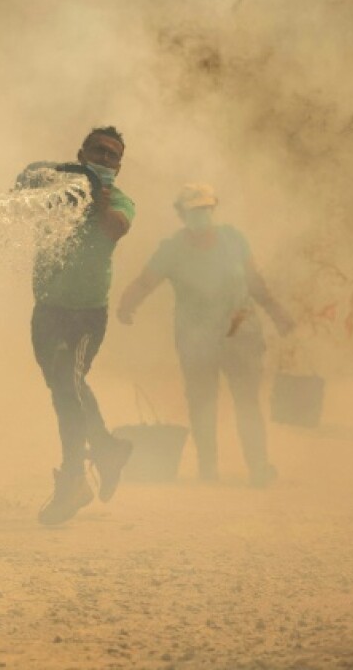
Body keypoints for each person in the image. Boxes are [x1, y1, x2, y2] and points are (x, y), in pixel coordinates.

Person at [117, 183, 293, 487]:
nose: (201, 215)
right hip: (195, 336)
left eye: (205, 209)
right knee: (202, 402)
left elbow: (254, 281)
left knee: (247, 400)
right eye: (194, 211)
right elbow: (146, 282)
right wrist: (127, 305)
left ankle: (258, 468)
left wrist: (276, 311)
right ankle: (208, 469)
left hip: (240, 331)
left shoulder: (233, 239)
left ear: (213, 210)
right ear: (182, 214)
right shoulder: (172, 249)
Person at [22, 126, 135, 525]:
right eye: (98, 152)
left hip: (86, 315)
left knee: (68, 385)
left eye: (112, 156)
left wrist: (99, 204)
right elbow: (24, 186)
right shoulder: (58, 190)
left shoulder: (118, 201)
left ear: (119, 167)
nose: (104, 160)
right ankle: (105, 449)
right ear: (81, 153)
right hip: (47, 311)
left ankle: (73, 479)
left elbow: (116, 228)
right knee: (64, 387)